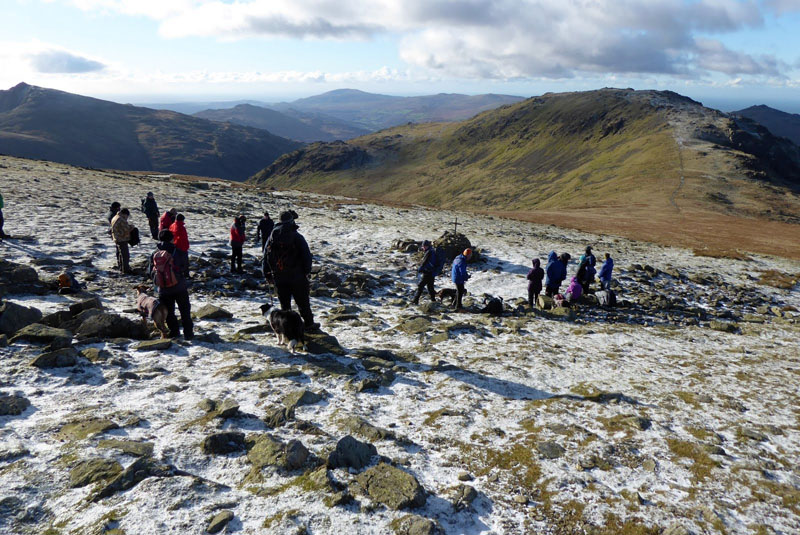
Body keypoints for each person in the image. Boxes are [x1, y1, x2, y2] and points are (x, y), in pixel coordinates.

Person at [265, 211, 319, 330]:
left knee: (285, 305)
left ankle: (288, 328)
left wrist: (267, 274)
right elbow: (306, 256)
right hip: (297, 276)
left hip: (279, 276)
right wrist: (306, 272)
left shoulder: (272, 237)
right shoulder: (297, 237)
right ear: (291, 221)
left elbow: (266, 256)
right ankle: (309, 324)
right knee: (303, 302)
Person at [149, 230, 193, 340]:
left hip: (163, 289)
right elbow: (185, 267)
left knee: (169, 312)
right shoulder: (178, 251)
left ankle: (174, 332)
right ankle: (188, 334)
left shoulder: (154, 253)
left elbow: (150, 272)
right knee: (185, 311)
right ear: (172, 238)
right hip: (179, 287)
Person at [411, 240, 437, 305]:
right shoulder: (432, 251)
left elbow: (424, 262)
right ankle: (433, 300)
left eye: (424, 246)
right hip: (432, 272)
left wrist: (420, 269)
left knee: (420, 286)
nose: (423, 248)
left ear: (427, 246)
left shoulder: (429, 252)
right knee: (430, 287)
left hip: (427, 272)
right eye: (423, 246)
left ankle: (415, 300)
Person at [110, 208, 133, 274]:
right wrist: (132, 227)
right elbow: (127, 229)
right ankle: (125, 269)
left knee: (120, 254)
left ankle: (121, 267)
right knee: (125, 255)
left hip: (116, 238)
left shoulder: (115, 217)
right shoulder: (121, 219)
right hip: (121, 238)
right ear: (125, 214)